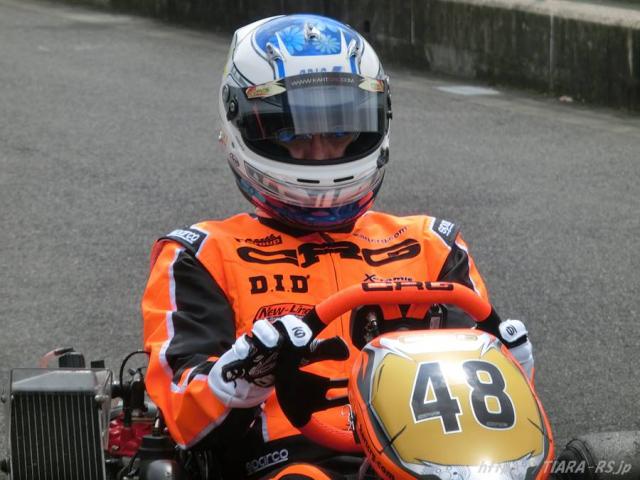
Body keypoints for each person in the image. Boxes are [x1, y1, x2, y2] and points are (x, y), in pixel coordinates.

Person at [141, 13, 535, 479]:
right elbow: (183, 414)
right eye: (293, 133)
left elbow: (480, 389)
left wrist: (509, 366)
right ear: (243, 125)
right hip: (288, 461)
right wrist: (239, 379)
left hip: (435, 457)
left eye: (339, 130)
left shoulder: (432, 242)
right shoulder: (202, 254)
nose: (321, 151)